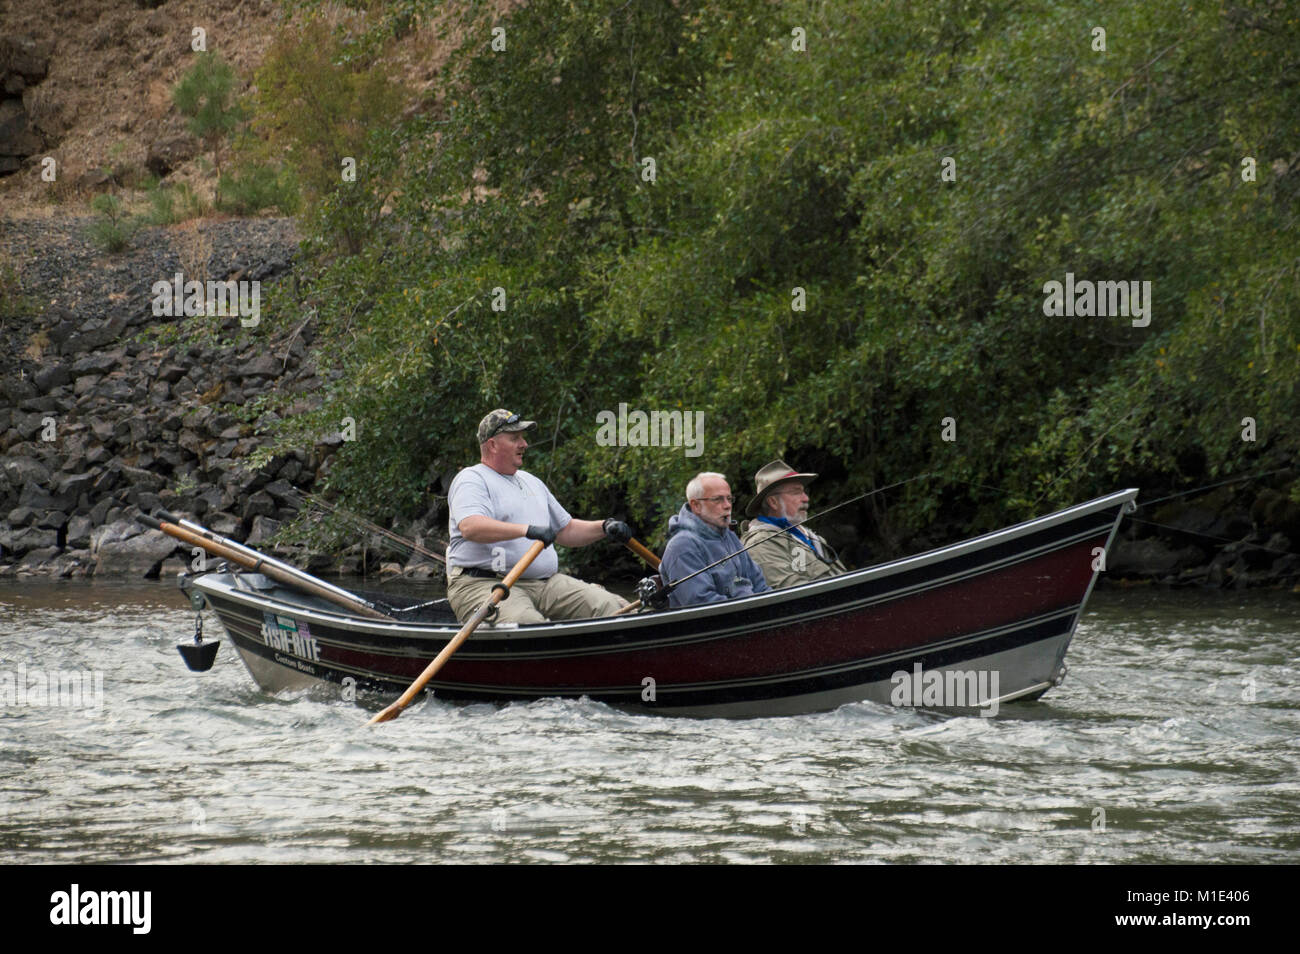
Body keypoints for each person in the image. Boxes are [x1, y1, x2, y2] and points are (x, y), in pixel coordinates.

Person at [445, 409, 633, 624]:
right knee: (528, 623)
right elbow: (471, 527)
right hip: (482, 584)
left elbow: (566, 530)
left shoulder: (531, 481)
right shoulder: (472, 479)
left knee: (609, 606)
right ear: (493, 445)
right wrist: (527, 530)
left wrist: (604, 526)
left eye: (523, 438)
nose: (524, 444)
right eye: (515, 438)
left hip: (544, 584)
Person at [659, 472, 769, 608]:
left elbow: (760, 585)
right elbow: (701, 604)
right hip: (716, 624)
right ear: (696, 506)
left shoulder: (730, 536)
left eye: (729, 499)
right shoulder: (682, 546)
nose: (727, 505)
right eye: (718, 499)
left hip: (749, 615)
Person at [739, 459, 847, 588]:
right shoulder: (759, 544)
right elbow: (793, 595)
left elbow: (845, 580)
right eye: (796, 492)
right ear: (773, 502)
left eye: (804, 491)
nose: (806, 498)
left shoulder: (812, 537)